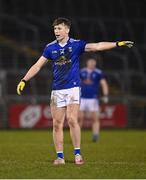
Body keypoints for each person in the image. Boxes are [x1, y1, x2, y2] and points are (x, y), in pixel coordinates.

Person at [16, 17, 134, 165]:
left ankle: (78, 154)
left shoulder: (77, 45)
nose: (56, 31)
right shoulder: (50, 48)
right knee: (57, 124)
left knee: (72, 119)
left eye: (59, 28)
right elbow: (37, 66)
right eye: (55, 29)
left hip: (72, 88)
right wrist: (24, 80)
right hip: (57, 89)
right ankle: (60, 157)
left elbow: (97, 46)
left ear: (67, 29)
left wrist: (117, 44)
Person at [79, 57, 109, 142]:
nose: (92, 64)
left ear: (95, 64)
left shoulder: (98, 73)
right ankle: (76, 135)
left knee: (94, 118)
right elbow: (76, 82)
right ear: (87, 63)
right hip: (81, 98)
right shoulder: (81, 72)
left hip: (93, 98)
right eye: (90, 62)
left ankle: (95, 135)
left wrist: (105, 95)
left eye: (93, 62)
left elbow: (103, 84)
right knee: (79, 118)